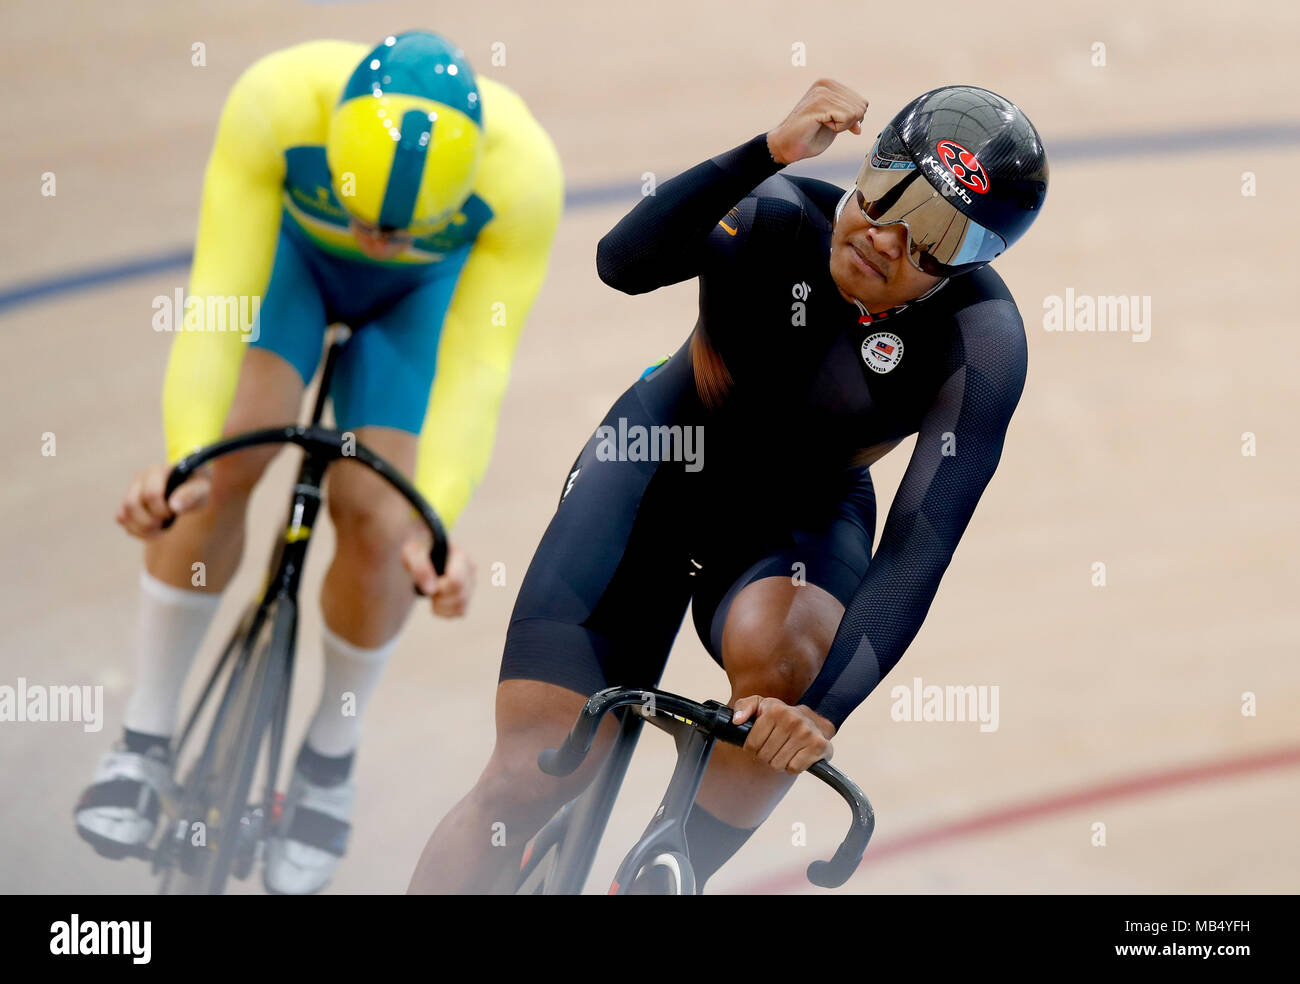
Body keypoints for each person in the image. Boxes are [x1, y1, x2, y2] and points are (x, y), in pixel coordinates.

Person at [408, 81, 1047, 893]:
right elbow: (621, 264)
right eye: (891, 194)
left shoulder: (981, 345)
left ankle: (668, 872)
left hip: (798, 528)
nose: (889, 238)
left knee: (788, 682)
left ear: (971, 265)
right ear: (868, 163)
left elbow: (923, 542)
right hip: (652, 470)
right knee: (527, 781)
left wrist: (822, 712)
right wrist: (764, 153)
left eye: (936, 234)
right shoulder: (773, 214)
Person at [75, 31, 563, 894]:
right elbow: (219, 300)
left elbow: (476, 372)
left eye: (398, 224)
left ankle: (327, 764)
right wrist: (186, 458)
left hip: (415, 306)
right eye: (365, 215)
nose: (377, 237)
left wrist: (433, 521)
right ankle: (143, 743)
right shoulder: (275, 103)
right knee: (220, 474)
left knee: (381, 521)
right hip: (291, 268)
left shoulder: (521, 175)